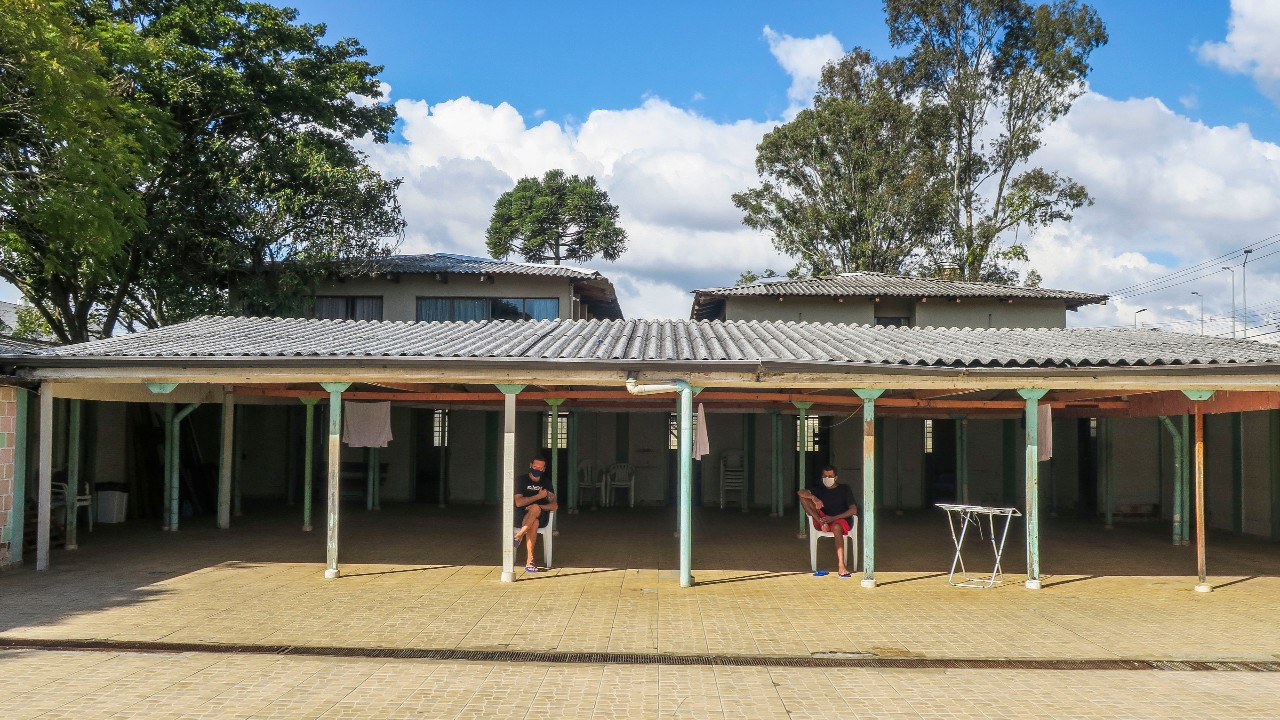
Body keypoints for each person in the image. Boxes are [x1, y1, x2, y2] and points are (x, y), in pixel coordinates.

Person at [797, 465, 858, 577]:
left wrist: (834, 518)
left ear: (836, 478)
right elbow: (800, 492)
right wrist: (813, 498)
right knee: (803, 498)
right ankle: (822, 523)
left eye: (830, 476)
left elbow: (853, 510)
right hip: (823, 519)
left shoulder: (845, 489)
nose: (827, 478)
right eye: (825, 476)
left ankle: (841, 565)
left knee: (836, 527)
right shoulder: (819, 489)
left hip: (840, 520)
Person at [513, 456, 558, 572]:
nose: (537, 469)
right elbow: (518, 502)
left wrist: (539, 506)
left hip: (541, 515)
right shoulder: (521, 480)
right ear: (530, 465)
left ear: (544, 469)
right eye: (535, 466)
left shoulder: (546, 482)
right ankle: (530, 561)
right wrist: (538, 496)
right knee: (534, 522)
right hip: (521, 515)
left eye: (540, 468)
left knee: (535, 508)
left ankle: (519, 536)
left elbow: (554, 505)